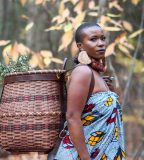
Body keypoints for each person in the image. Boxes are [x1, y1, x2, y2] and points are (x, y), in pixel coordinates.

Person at [54, 22, 125, 160]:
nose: (101, 43)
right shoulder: (83, 72)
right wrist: (86, 158)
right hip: (83, 155)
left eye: (103, 38)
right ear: (80, 45)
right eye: (93, 39)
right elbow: (72, 116)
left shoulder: (96, 74)